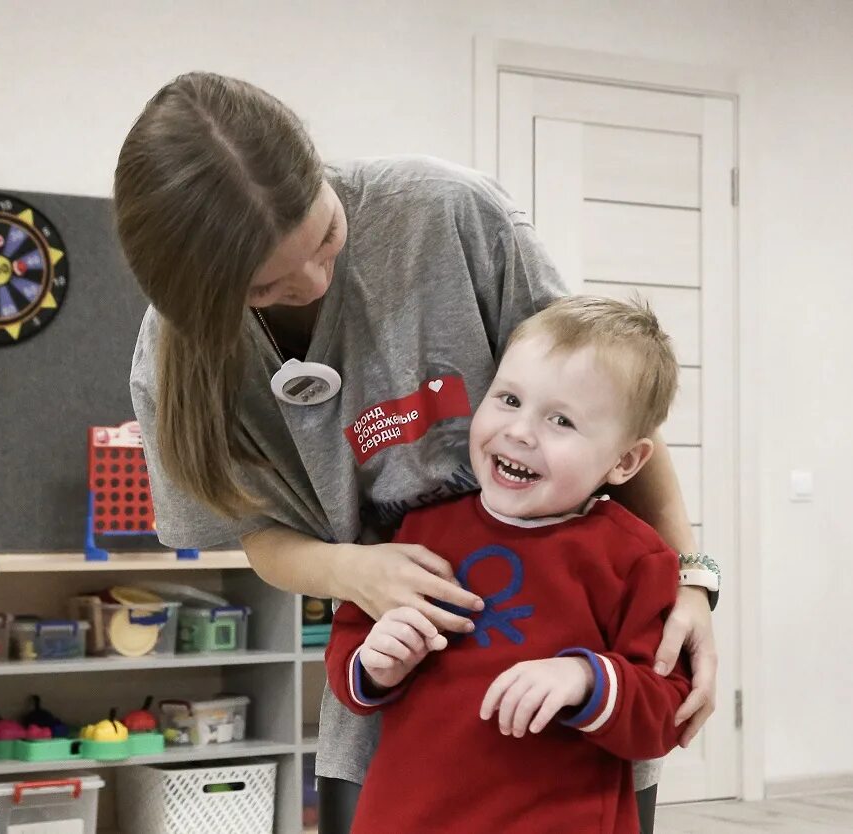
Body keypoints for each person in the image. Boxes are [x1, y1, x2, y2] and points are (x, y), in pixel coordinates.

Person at [113, 71, 720, 834]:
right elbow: (253, 535)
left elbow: (607, 391)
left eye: (326, 236)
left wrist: (691, 582)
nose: (312, 282)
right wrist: (351, 572)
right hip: (400, 745)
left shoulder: (447, 213)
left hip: (574, 772)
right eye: (265, 288)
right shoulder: (171, 356)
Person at [326, 296, 693, 832]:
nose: (520, 431)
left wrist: (585, 679)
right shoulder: (423, 532)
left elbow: (666, 712)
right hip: (406, 816)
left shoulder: (636, 560)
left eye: (561, 420)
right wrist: (375, 663)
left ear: (625, 461)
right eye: (508, 399)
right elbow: (351, 643)